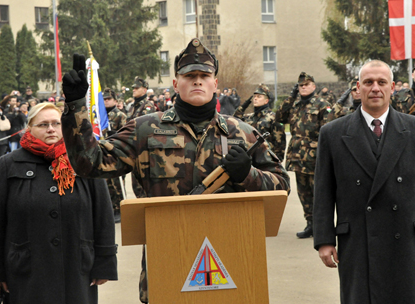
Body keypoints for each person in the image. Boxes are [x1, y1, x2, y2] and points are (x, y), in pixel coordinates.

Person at [61, 38, 290, 304]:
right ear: (175, 84)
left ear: (215, 83)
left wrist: (247, 175)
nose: (197, 81)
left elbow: (282, 186)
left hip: (232, 260)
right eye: (189, 75)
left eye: (204, 75)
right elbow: (89, 162)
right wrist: (76, 105)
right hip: (167, 261)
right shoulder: (144, 130)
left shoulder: (243, 132)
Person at [313, 60, 415, 304]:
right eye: (368, 82)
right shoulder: (333, 133)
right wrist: (324, 241)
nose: (375, 88)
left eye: (382, 82)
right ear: (358, 88)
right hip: (357, 240)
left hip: (406, 240)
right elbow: (324, 192)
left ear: (392, 88)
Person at [0, 102, 117, 303]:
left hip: (77, 269)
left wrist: (105, 261)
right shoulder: (9, 164)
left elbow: (103, 214)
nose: (51, 129)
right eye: (43, 124)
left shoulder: (83, 160)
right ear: (29, 128)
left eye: (56, 123)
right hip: (25, 271)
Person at [275, 72, 332, 238]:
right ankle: (310, 224)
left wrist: (324, 154)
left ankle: (322, 227)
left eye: (306, 85)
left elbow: (327, 131)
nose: (303, 88)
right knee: (303, 193)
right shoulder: (295, 105)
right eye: (300, 86)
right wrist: (291, 98)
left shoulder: (323, 104)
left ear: (314, 86)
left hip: (315, 157)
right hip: (297, 157)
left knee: (319, 194)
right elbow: (279, 117)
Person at [233, 84, 286, 160]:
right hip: (249, 158)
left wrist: (277, 161)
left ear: (266, 101)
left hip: (266, 159)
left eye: (259, 97)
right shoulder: (249, 117)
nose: (255, 99)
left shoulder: (273, 117)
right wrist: (245, 105)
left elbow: (279, 142)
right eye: (254, 97)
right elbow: (235, 119)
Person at [102, 88, 128, 222]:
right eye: (104, 99)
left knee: (117, 184)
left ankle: (120, 209)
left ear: (115, 100)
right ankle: (111, 209)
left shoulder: (120, 115)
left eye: (108, 99)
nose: (106, 102)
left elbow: (126, 135)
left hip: (116, 153)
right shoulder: (99, 115)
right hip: (103, 153)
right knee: (107, 184)